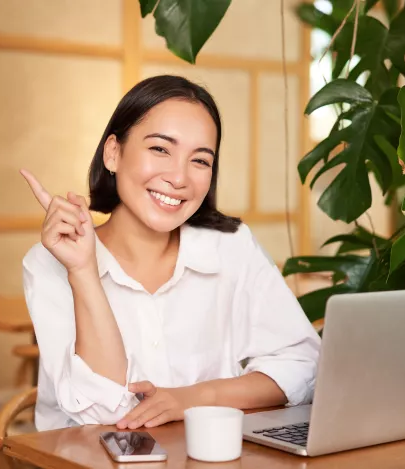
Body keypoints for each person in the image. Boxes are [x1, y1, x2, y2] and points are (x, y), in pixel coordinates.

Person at [21, 75, 320, 432]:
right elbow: (103, 412)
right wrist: (83, 271)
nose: (179, 178)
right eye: (161, 149)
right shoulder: (50, 262)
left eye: (200, 161)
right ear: (113, 153)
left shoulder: (231, 246)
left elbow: (304, 363)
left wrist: (190, 398)